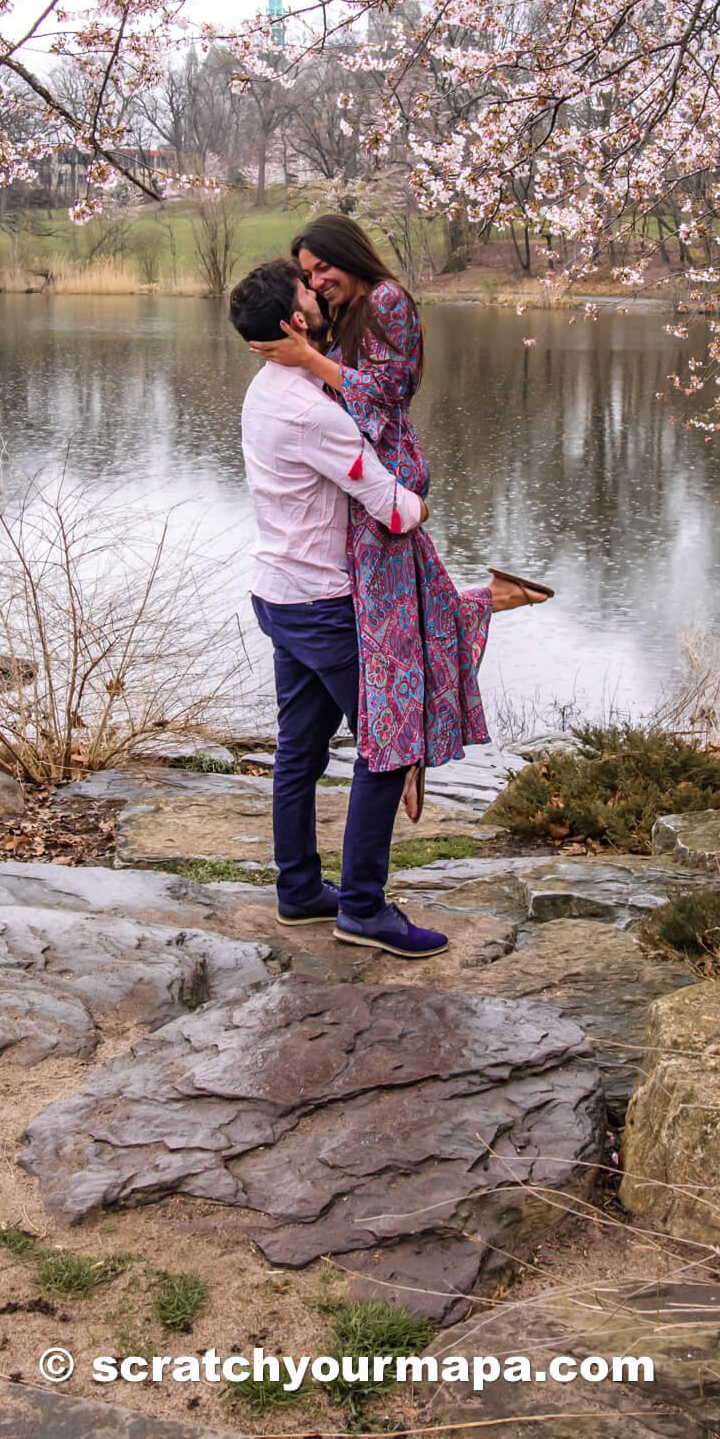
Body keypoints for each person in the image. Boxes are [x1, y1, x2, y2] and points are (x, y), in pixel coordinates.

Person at [247, 213, 551, 816]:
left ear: (349, 255)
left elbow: (385, 394)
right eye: (308, 275)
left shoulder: (388, 300)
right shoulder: (340, 315)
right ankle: (490, 605)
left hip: (383, 482)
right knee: (407, 623)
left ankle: (403, 755)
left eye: (323, 267)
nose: (319, 280)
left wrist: (308, 359)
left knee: (402, 631)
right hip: (360, 486)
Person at [229, 257, 451, 959]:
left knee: (299, 749)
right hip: (324, 604)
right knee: (387, 749)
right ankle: (361, 907)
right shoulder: (308, 413)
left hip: (278, 592)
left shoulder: (267, 389)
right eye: (308, 291)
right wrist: (421, 500)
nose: (320, 292)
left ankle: (298, 891)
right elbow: (391, 508)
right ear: (295, 323)